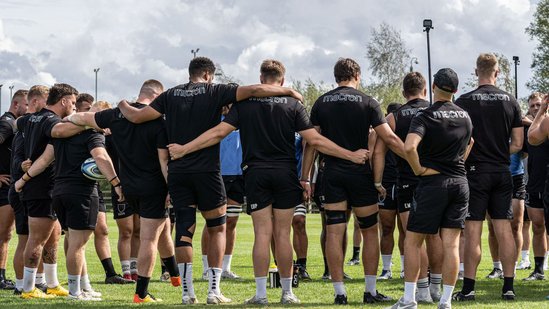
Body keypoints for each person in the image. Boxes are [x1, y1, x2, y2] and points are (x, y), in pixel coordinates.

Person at [168, 59, 367, 305]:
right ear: (281, 81)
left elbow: (218, 133)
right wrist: (350, 155)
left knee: (262, 235)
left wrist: (185, 148)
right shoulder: (293, 105)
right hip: (285, 174)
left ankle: (261, 294)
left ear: (261, 79)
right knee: (283, 234)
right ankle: (287, 293)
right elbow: (314, 140)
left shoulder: (246, 105)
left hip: (256, 174)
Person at [118, 56, 305, 305]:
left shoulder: (169, 95)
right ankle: (213, 291)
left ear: (191, 73)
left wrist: (121, 104)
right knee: (217, 228)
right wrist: (290, 90)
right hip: (207, 172)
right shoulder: (215, 91)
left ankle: (187, 293)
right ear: (208, 75)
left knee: (184, 229)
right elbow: (256, 90)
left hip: (179, 172)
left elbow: (136, 117)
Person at [302, 58, 405, 305]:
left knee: (335, 232)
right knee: (370, 231)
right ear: (357, 75)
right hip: (360, 173)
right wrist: (414, 159)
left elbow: (311, 143)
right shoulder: (369, 102)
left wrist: (305, 177)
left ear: (336, 76)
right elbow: (388, 139)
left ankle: (340, 293)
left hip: (331, 173)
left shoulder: (320, 103)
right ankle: (370, 291)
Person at [68, 79, 181, 303]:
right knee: (150, 237)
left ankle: (175, 274)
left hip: (127, 187)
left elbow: (80, 117)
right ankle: (141, 294)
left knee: (163, 229)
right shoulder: (159, 122)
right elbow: (163, 160)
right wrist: (172, 188)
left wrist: (65, 120)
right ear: (157, 97)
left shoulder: (114, 115)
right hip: (153, 187)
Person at [15, 98, 122, 301]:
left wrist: (23, 179)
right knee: (77, 245)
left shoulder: (61, 136)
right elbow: (101, 158)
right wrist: (116, 183)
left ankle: (83, 287)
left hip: (59, 193)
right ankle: (75, 292)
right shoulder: (93, 135)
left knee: (73, 242)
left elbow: (43, 161)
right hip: (81, 192)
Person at [389, 68, 473, 309]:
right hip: (460, 183)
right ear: (455, 90)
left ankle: (409, 299)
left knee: (413, 241)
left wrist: (418, 169)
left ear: (433, 85)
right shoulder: (465, 116)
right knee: (451, 244)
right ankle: (445, 301)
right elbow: (470, 144)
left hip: (432, 184)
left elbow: (409, 147)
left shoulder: (425, 116)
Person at [453, 53, 523, 301]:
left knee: (472, 231)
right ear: (498, 71)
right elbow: (518, 143)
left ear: (476, 72)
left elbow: (458, 140)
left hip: (475, 173)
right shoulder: (511, 101)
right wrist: (497, 152)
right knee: (503, 229)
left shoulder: (464, 101)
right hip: (502, 171)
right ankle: (509, 287)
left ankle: (469, 288)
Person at [373, 72, 443, 302]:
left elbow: (379, 153)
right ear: (425, 90)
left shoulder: (394, 117)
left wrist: (378, 182)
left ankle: (422, 289)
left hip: (406, 181)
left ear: (404, 93)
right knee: (434, 236)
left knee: (413, 238)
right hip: (433, 180)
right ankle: (435, 287)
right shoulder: (437, 111)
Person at [18, 83, 90, 299]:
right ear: (64, 101)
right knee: (37, 239)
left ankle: (52, 284)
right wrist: (92, 123)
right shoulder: (51, 120)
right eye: (74, 103)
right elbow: (59, 131)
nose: (75, 108)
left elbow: (21, 124)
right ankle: (29, 289)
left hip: (46, 186)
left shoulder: (30, 118)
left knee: (53, 237)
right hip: (42, 186)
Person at [75, 96, 133, 285]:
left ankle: (110, 274)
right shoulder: (78, 131)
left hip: (95, 187)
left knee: (103, 230)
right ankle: (77, 279)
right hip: (75, 188)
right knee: (77, 235)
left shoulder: (108, 135)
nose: (90, 114)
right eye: (89, 110)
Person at [11, 86, 49, 295]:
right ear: (35, 102)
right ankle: (20, 286)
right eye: (46, 100)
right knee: (25, 240)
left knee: (38, 240)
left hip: (30, 188)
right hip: (21, 190)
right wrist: (21, 166)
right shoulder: (25, 128)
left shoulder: (35, 126)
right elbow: (16, 157)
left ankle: (38, 282)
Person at [201, 105, 243, 281]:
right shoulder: (212, 121)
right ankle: (206, 269)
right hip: (217, 174)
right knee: (213, 222)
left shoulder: (243, 120)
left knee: (232, 221)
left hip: (239, 175)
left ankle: (225, 268)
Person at [0, 89, 28, 290]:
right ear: (16, 105)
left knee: (6, 235)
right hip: (3, 187)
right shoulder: (7, 124)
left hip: (8, 186)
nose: (28, 109)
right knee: (3, 234)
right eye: (26, 105)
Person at [522, 93, 549, 281]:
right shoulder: (527, 128)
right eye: (532, 105)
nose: (535, 108)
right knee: (537, 226)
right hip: (535, 182)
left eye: (538, 104)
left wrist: (542, 113)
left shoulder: (544, 124)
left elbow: (533, 138)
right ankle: (538, 269)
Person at [376, 102, 404, 280]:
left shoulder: (409, 130)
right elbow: (375, 154)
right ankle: (386, 269)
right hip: (386, 184)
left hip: (403, 182)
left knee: (407, 230)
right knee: (386, 228)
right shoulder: (381, 133)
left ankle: (405, 268)